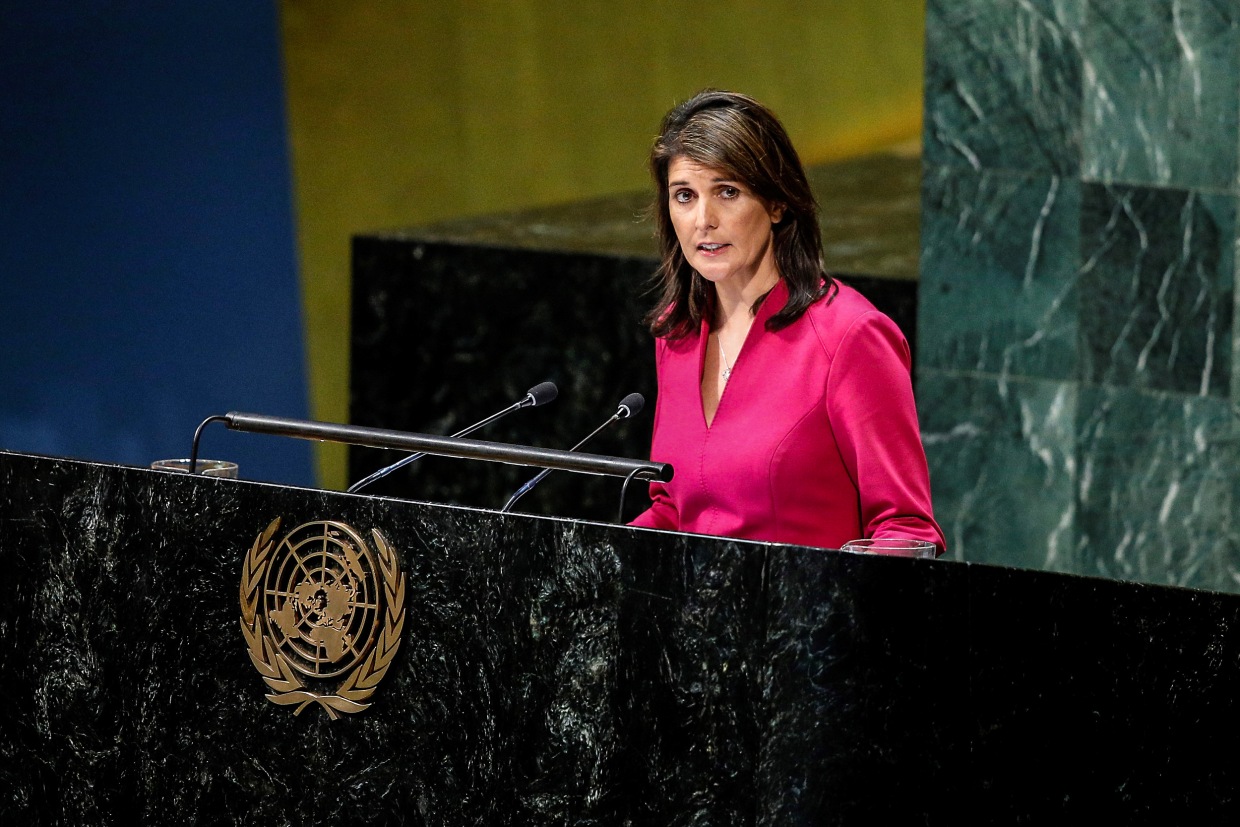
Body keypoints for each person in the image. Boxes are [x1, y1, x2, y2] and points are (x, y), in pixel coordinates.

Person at [629, 89, 945, 555]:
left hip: (806, 602)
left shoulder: (850, 336)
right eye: (685, 196)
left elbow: (906, 528)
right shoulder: (677, 332)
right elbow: (674, 510)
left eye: (728, 192)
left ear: (777, 203)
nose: (703, 220)